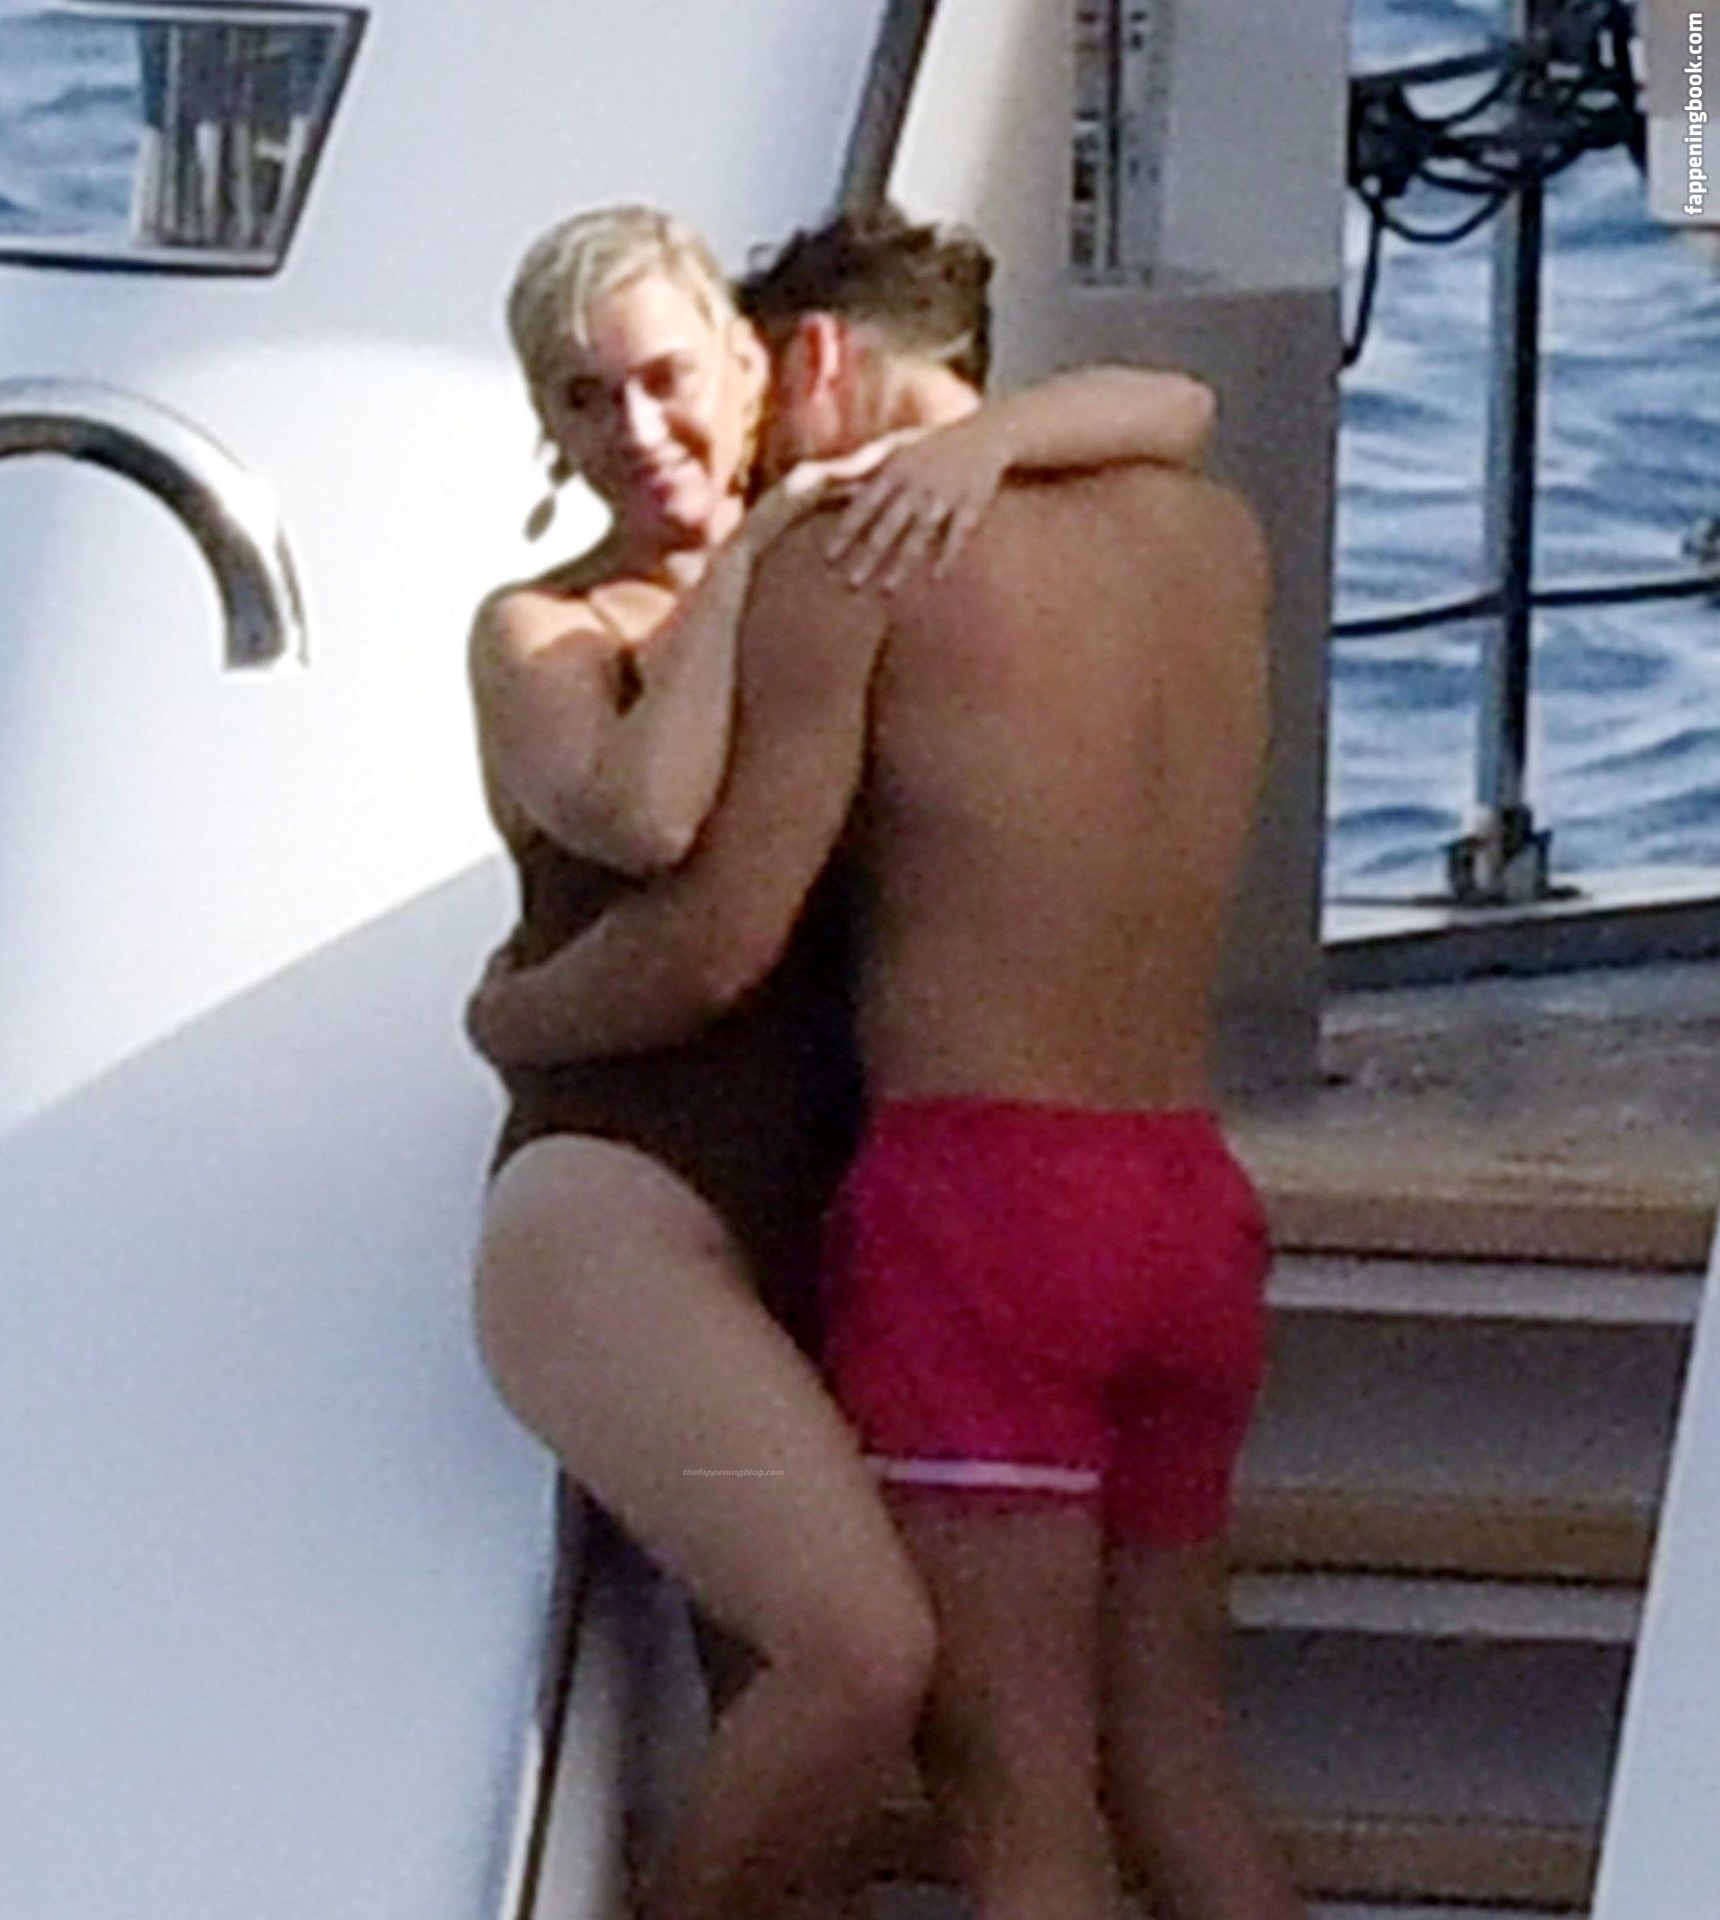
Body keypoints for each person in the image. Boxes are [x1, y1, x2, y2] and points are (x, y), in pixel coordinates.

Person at [469, 206, 1307, 1920]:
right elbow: (1178, 408)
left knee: (1015, 1789)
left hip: (987, 1213)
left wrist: (507, 1017)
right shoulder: (1213, 541)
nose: (661, 429)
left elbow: (717, 936)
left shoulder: (860, 561)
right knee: (1166, 1760)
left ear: (802, 359)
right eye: (586, 395)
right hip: (1179, 1196)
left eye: (694, 380)